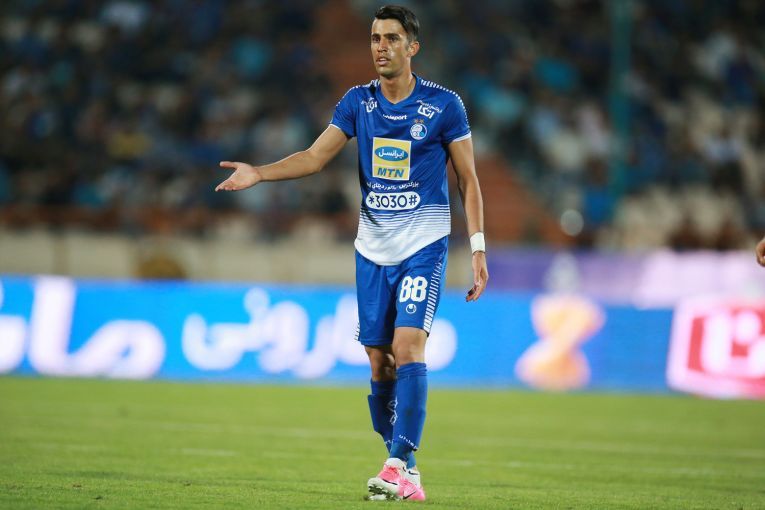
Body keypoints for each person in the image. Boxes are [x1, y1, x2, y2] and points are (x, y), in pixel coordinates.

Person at [215, 5, 488, 501]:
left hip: (423, 245)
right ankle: (406, 468)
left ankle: (396, 464)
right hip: (371, 250)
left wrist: (477, 248)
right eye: (375, 38)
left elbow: (468, 180)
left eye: (391, 38)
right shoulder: (357, 102)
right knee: (380, 363)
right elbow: (314, 157)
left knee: (409, 346)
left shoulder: (444, 105)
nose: (381, 46)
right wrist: (259, 173)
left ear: (413, 47)